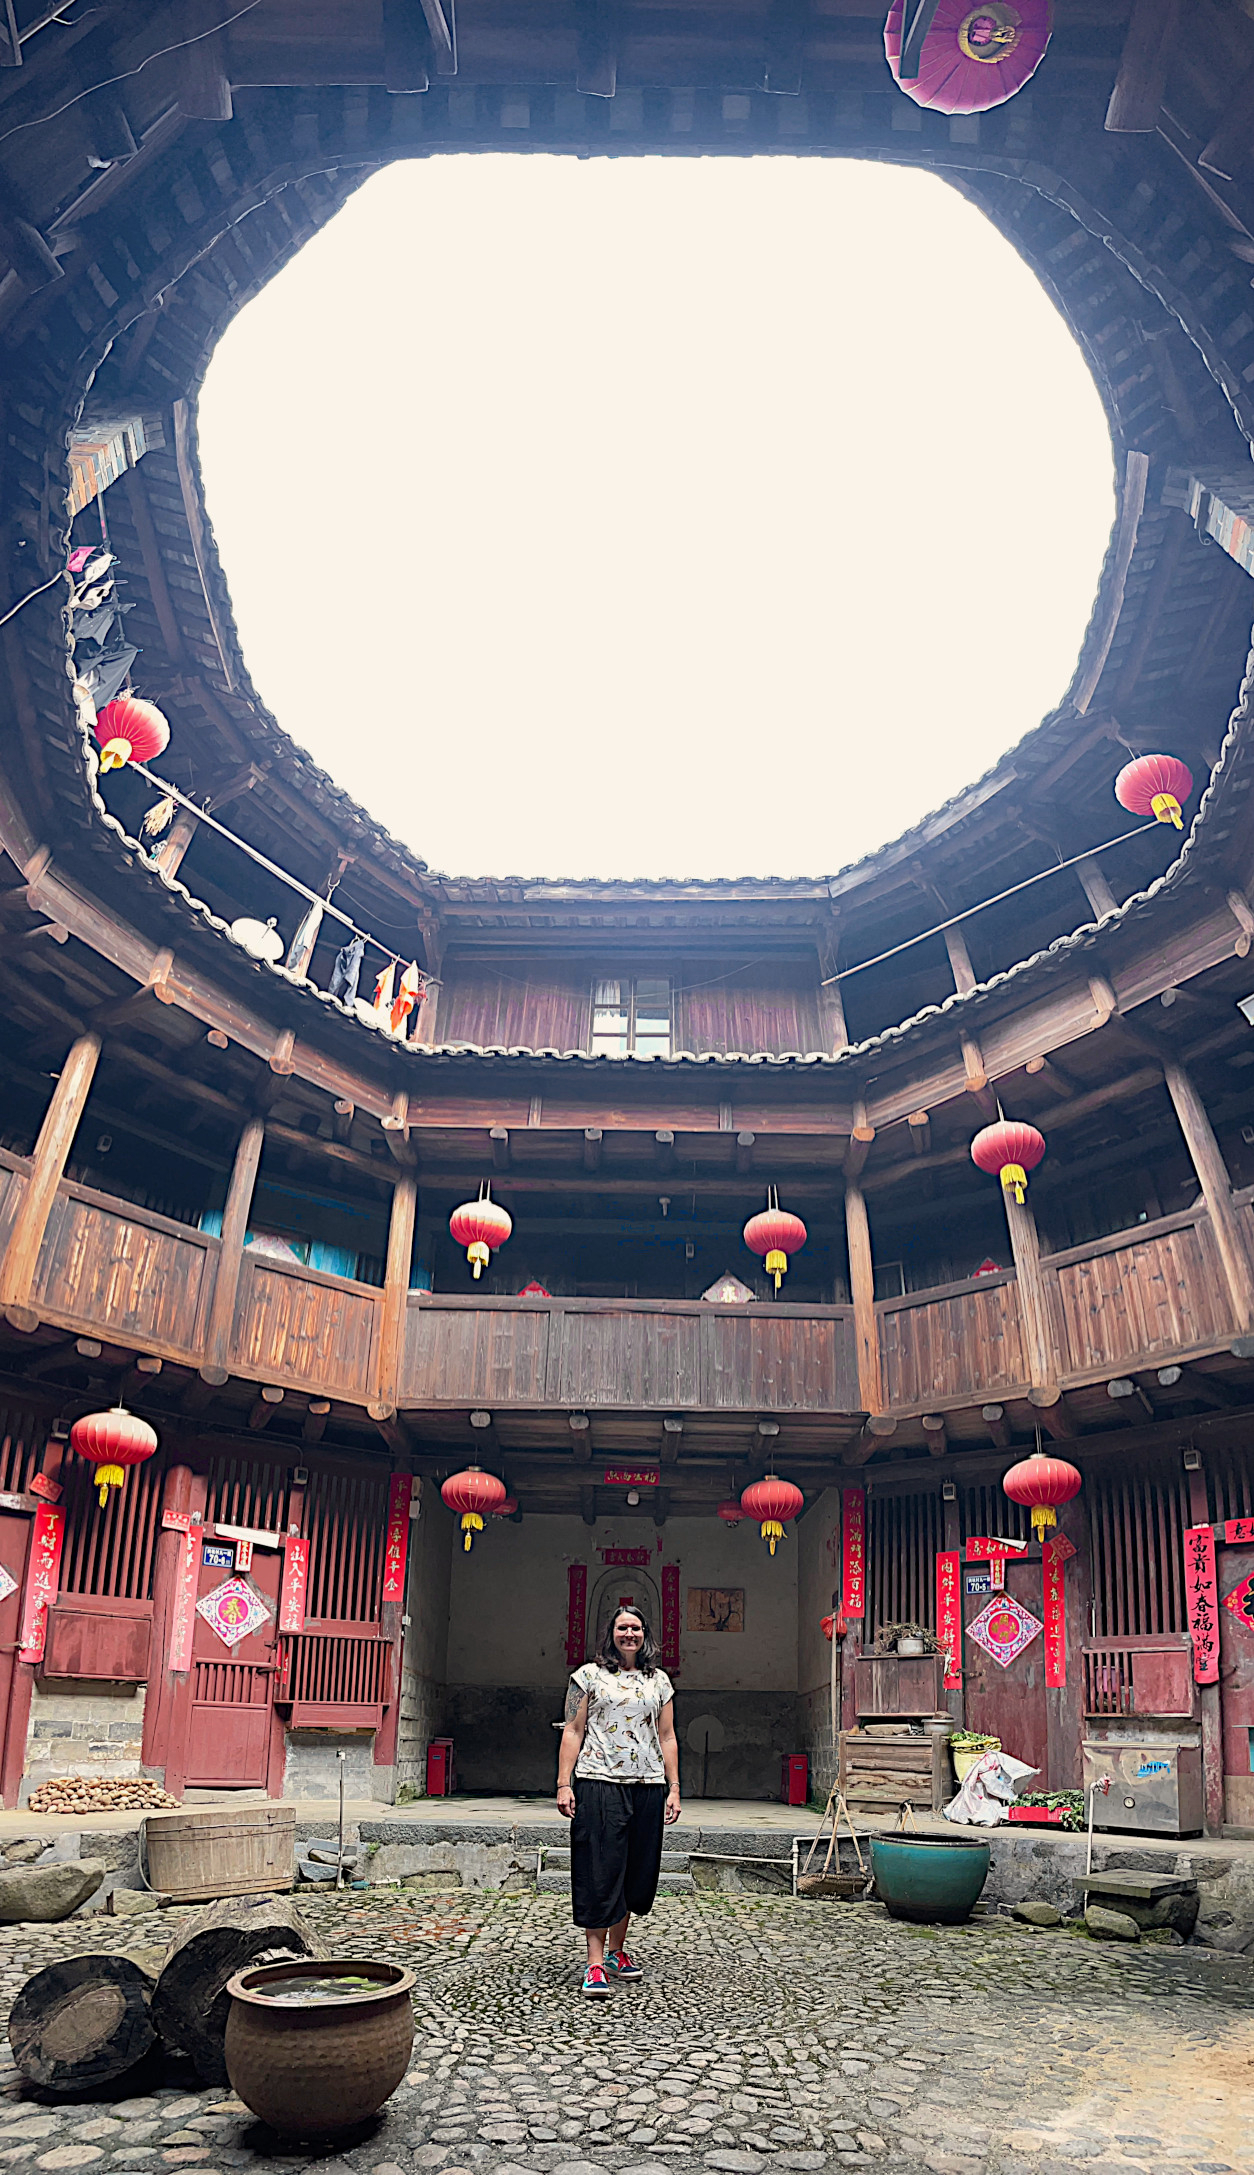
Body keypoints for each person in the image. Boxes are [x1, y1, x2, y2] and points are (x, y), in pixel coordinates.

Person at [556, 1604, 681, 1997]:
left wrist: (674, 1787)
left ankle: (616, 1952)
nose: (630, 1634)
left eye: (636, 1628)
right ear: (610, 1633)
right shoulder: (587, 1676)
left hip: (647, 1785)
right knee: (599, 1870)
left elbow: (667, 1736)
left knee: (634, 1871)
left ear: (645, 1635)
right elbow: (573, 1730)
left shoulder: (659, 1681)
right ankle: (594, 1964)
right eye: (623, 1627)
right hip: (598, 1782)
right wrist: (563, 1783)